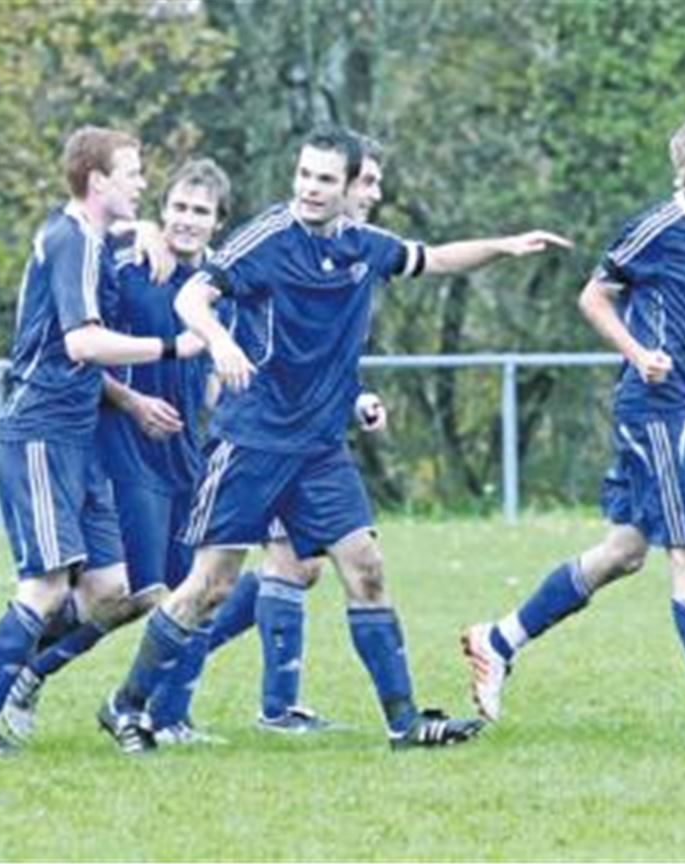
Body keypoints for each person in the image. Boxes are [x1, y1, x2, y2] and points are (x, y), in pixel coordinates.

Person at [98, 124, 572, 753]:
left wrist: (506, 246)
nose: (310, 189)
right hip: (254, 441)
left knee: (366, 568)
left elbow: (434, 257)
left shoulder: (365, 245)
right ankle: (125, 705)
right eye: (304, 175)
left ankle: (407, 724)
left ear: (351, 187)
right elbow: (192, 296)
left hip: (320, 448)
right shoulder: (267, 238)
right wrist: (221, 339)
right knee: (209, 584)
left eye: (325, 179)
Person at [461, 110, 685, 745]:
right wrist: (637, 354)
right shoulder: (657, 228)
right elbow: (594, 296)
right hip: (656, 410)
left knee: (624, 552)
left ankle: (497, 639)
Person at [0, 126, 201, 758]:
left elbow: (114, 248)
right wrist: (172, 346)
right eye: (133, 173)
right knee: (45, 587)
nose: (143, 182)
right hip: (39, 433)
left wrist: (137, 230)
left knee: (114, 591)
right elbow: (81, 343)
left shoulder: (89, 237)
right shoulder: (71, 244)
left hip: (78, 438)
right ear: (98, 181)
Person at [199, 134, 389, 735]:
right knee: (227, 576)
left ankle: (273, 704)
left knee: (293, 566)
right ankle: (204, 679)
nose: (376, 195)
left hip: (303, 429)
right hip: (261, 425)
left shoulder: (349, 255)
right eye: (370, 183)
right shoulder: (286, 241)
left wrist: (356, 396)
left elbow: (319, 354)